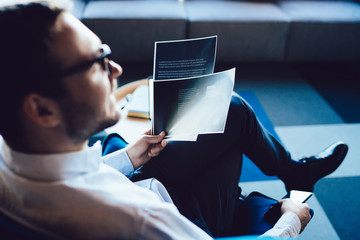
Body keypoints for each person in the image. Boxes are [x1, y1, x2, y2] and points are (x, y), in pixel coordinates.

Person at [0, 0, 348, 239]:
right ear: (42, 109)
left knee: (229, 110)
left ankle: (289, 175)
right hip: (176, 213)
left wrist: (130, 156)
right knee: (230, 144)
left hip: (140, 182)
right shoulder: (140, 220)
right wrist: (292, 220)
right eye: (97, 62)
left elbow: (71, 176)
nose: (117, 69)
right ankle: (264, 202)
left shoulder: (9, 158)